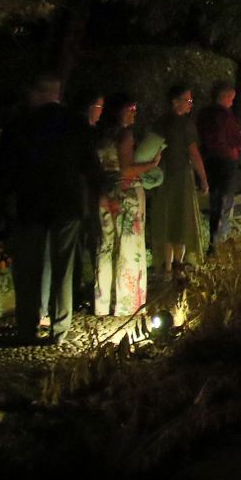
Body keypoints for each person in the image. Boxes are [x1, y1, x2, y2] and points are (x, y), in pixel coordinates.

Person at [0, 75, 106, 345]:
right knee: (63, 266)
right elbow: (91, 166)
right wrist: (96, 196)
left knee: (28, 268)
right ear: (57, 93)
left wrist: (2, 201)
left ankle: (26, 327)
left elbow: (4, 168)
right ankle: (60, 327)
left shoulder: (20, 124)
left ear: (36, 93)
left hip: (30, 203)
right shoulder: (75, 123)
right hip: (67, 203)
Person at [94, 94, 156, 316]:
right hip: (125, 193)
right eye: (129, 109)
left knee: (106, 246)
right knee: (128, 249)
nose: (133, 113)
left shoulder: (101, 135)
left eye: (135, 110)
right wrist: (151, 164)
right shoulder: (125, 135)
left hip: (105, 193)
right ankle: (125, 302)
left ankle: (103, 302)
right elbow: (126, 169)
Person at [151, 83, 209, 279]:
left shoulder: (160, 122)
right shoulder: (185, 124)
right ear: (175, 102)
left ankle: (167, 265)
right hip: (180, 176)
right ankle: (178, 263)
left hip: (163, 176)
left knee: (168, 219)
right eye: (187, 100)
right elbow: (194, 153)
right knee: (181, 219)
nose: (190, 104)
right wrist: (203, 178)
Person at [198, 81, 241, 249]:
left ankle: (213, 240)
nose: (232, 102)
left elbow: (224, 135)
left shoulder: (204, 114)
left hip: (210, 161)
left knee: (215, 202)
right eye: (231, 98)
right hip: (226, 163)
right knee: (225, 202)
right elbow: (239, 143)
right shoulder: (224, 115)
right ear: (224, 96)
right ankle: (220, 243)